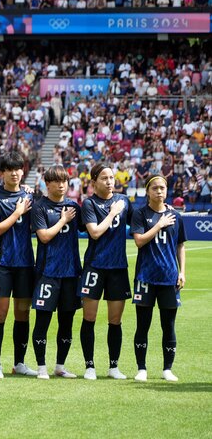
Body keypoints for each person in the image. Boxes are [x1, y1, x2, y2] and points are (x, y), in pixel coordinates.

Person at [78, 163, 134, 380]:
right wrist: (111, 214)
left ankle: (113, 367)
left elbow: (138, 223)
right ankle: (89, 366)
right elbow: (94, 233)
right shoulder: (89, 203)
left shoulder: (123, 201)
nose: (110, 181)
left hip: (118, 268)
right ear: (93, 183)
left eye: (111, 177)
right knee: (89, 317)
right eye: (104, 178)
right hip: (95, 266)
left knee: (115, 320)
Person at [0, 151, 38, 379]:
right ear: (2, 173)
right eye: (10, 170)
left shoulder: (30, 196)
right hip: (2, 263)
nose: (15, 173)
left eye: (19, 169)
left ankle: (19, 363)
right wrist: (17, 211)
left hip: (25, 263)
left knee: (22, 314)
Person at [131, 175, 186, 382]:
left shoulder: (176, 216)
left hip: (169, 278)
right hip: (145, 277)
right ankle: (142, 368)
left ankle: (167, 369)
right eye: (155, 188)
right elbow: (139, 241)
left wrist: (182, 272)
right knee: (143, 324)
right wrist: (159, 224)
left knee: (168, 325)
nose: (159, 191)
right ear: (148, 192)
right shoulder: (140, 214)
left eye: (162, 188)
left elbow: (181, 245)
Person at [31, 165, 84, 379]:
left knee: (67, 321)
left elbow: (89, 228)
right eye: (57, 181)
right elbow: (43, 236)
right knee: (42, 321)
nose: (62, 185)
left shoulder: (74, 206)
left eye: (65, 181)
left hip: (71, 273)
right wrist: (63, 220)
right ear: (47, 183)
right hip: (47, 273)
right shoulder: (40, 207)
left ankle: (60, 366)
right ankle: (41, 367)